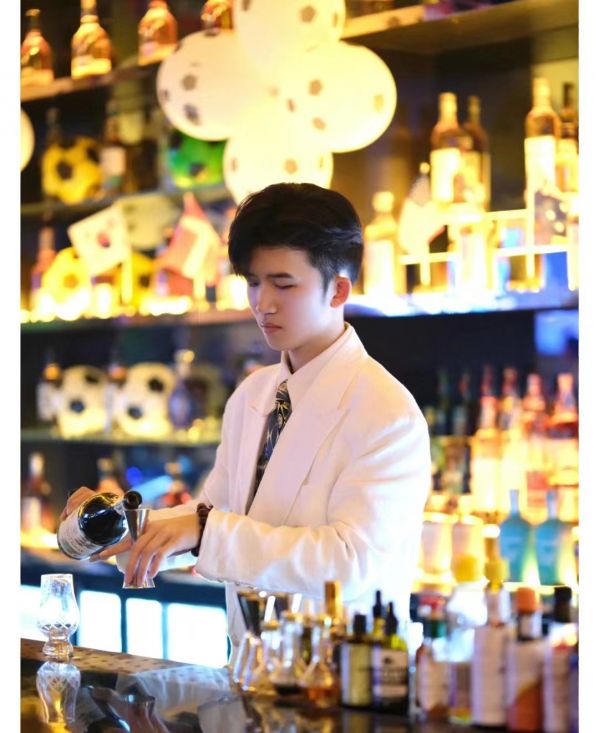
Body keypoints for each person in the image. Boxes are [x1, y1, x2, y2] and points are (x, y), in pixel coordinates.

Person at [61, 182, 431, 663]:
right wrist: (119, 524)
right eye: (254, 282)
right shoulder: (253, 395)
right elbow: (214, 517)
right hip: (250, 666)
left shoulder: (387, 413)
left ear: (339, 288)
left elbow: (350, 562)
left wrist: (205, 530)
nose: (263, 303)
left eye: (283, 283)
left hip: (347, 675)